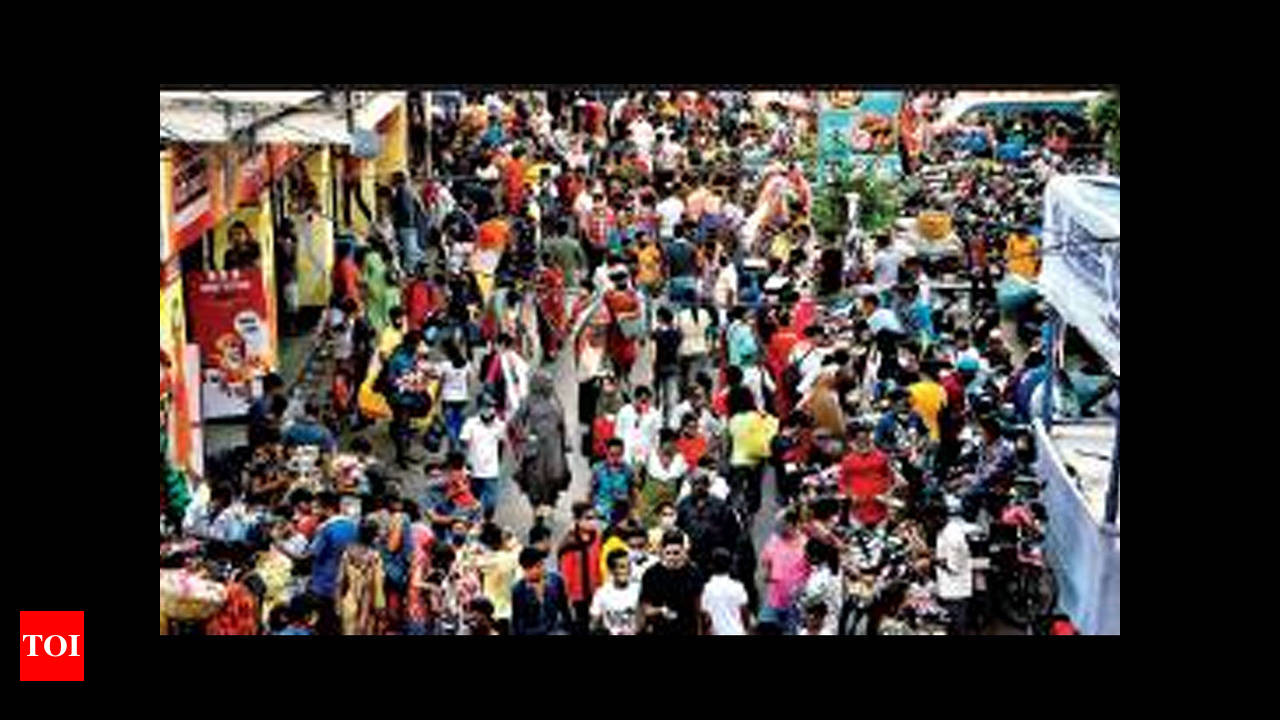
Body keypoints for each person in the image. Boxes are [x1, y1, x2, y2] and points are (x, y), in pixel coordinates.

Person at [512, 369, 572, 520]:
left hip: (554, 444)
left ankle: (550, 502)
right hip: (537, 445)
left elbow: (562, 422)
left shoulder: (555, 399)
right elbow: (515, 421)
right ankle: (536, 505)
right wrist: (525, 436)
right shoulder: (529, 400)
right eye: (547, 382)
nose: (550, 385)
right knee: (535, 477)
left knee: (556, 474)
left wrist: (566, 441)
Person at [305, 492, 358, 636]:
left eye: (317, 508)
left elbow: (309, 556)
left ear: (327, 508)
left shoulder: (325, 529)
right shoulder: (352, 526)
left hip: (323, 585)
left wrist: (281, 547)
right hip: (344, 584)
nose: (315, 511)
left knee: (323, 625)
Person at [638, 530, 704, 636]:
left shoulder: (693, 573)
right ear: (662, 552)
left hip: (687, 630)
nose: (672, 558)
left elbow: (698, 608)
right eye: (668, 553)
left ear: (684, 551)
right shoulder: (651, 574)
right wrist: (660, 611)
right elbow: (645, 609)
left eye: (676, 553)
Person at [726, 387, 776, 517]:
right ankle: (751, 512)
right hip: (757, 458)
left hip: (738, 460)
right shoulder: (758, 416)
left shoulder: (733, 420)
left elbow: (729, 442)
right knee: (755, 488)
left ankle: (737, 514)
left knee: (736, 490)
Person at [675, 473, 739, 574]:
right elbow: (678, 528)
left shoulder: (720, 506)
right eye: (695, 484)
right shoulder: (684, 505)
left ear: (708, 486)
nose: (699, 487)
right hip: (690, 555)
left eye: (702, 484)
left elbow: (732, 531)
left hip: (712, 556)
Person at [557, 501, 604, 635]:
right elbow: (566, 575)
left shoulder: (597, 538)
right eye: (588, 518)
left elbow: (600, 564)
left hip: (596, 592)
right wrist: (568, 599)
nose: (593, 522)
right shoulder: (570, 543)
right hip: (577, 597)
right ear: (577, 520)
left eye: (594, 518)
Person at [759, 507, 809, 635]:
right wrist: (769, 572)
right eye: (780, 526)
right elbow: (765, 564)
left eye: (785, 525)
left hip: (795, 603)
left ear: (795, 524)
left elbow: (810, 572)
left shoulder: (805, 544)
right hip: (774, 599)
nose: (782, 529)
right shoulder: (775, 540)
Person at [459, 395, 507, 518]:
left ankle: (487, 522)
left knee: (491, 503)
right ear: (479, 408)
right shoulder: (471, 424)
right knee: (473, 502)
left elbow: (502, 443)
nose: (489, 409)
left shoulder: (500, 425)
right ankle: (471, 524)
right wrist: (465, 464)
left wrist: (498, 460)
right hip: (474, 470)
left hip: (491, 471)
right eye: (486, 406)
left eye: (491, 406)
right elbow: (463, 443)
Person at [840, 421, 895, 529]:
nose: (863, 442)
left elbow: (890, 479)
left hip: (880, 508)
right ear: (854, 441)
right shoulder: (847, 461)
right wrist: (851, 496)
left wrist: (888, 494)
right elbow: (842, 482)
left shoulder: (882, 457)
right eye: (860, 439)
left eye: (866, 439)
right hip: (858, 510)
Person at [336, 519, 386, 635]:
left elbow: (339, 581)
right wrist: (380, 607)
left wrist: (338, 605)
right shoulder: (374, 557)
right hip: (368, 607)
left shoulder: (347, 553)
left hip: (349, 601)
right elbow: (375, 586)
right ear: (373, 536)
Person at [935, 495, 974, 636]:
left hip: (955, 590)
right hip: (952, 588)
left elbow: (953, 566)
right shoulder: (948, 529)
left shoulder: (952, 537)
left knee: (956, 626)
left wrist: (933, 560)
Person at [511, 547, 572, 636]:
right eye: (530, 568)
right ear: (524, 569)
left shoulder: (555, 581)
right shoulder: (519, 590)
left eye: (538, 566)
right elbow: (518, 621)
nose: (535, 571)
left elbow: (564, 609)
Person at [700, 546, 751, 636]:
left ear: (711, 566)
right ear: (730, 565)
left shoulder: (707, 589)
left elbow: (705, 617)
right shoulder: (738, 587)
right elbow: (745, 613)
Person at [589, 548, 642, 635]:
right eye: (622, 567)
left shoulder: (638, 589)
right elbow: (593, 624)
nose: (627, 571)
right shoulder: (602, 593)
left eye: (628, 566)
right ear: (612, 570)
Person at [800, 539, 842, 636]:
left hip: (823, 624)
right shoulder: (833, 571)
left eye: (806, 555)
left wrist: (800, 598)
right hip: (830, 621)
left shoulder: (822, 576)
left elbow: (811, 599)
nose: (805, 557)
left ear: (814, 557)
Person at [614, 385, 663, 468]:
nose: (644, 404)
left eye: (646, 401)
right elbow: (618, 432)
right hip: (627, 449)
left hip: (646, 449)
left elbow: (657, 435)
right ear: (635, 399)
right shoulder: (625, 411)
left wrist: (655, 452)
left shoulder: (655, 414)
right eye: (641, 401)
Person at [591, 438, 636, 525]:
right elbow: (591, 492)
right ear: (607, 453)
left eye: (618, 455)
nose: (615, 459)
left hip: (621, 516)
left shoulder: (628, 471)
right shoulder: (598, 469)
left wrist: (632, 511)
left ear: (623, 453)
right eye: (612, 455)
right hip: (602, 515)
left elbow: (633, 493)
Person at [651, 308, 684, 420]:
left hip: (660, 366)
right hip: (673, 366)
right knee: (670, 395)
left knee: (658, 394)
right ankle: (668, 419)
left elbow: (653, 350)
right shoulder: (677, 332)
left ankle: (658, 417)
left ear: (661, 318)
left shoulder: (657, 333)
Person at [438, 341, 470, 447]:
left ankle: (454, 446)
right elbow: (468, 381)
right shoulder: (467, 364)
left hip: (448, 398)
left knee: (450, 423)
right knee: (458, 422)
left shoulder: (445, 365)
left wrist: (437, 397)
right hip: (462, 397)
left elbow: (441, 382)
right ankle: (458, 445)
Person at [392, 172, 425, 273]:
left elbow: (405, 209)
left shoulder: (402, 191)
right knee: (410, 245)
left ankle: (412, 267)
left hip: (406, 224)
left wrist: (399, 219)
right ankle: (420, 259)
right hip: (411, 223)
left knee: (409, 247)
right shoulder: (409, 190)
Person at [909, 360, 949, 443]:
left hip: (923, 434)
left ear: (922, 374)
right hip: (939, 434)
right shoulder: (941, 389)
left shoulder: (914, 389)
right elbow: (944, 409)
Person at [247, 373, 286, 449]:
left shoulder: (273, 400)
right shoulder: (260, 404)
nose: (281, 391)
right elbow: (256, 425)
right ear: (273, 388)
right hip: (261, 439)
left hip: (266, 437)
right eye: (280, 388)